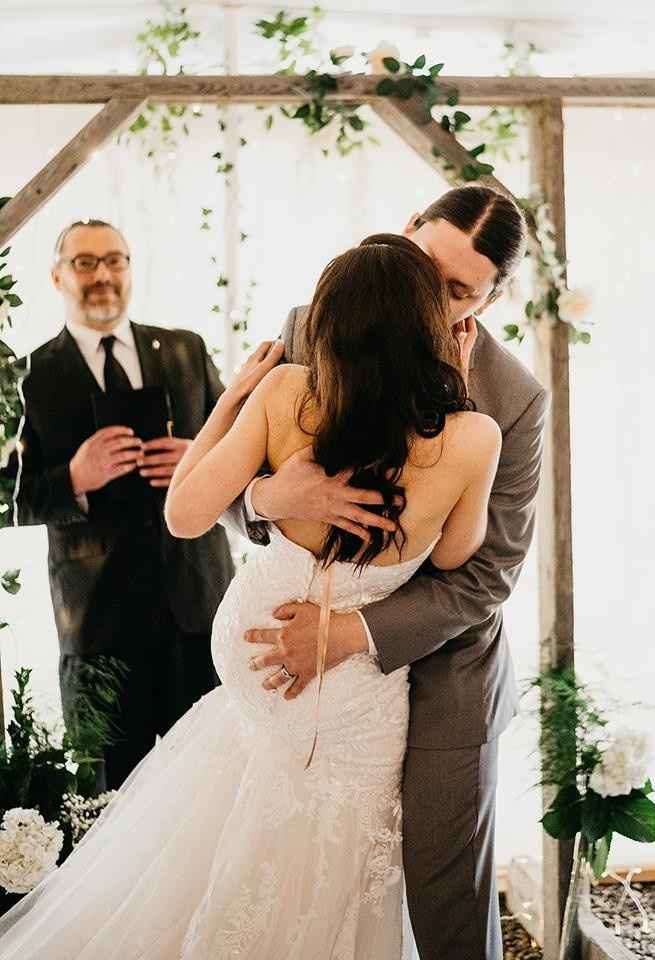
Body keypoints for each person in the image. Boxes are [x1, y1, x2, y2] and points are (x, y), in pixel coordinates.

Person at [0, 234, 501, 959]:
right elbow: (455, 556)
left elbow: (184, 514)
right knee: (326, 877)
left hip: (255, 687)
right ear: (432, 325)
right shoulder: (474, 438)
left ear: (328, 322)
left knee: (209, 868)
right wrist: (455, 394)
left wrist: (231, 400)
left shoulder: (285, 394)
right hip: (356, 707)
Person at [234, 185, 549, 960]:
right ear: (403, 230)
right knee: (293, 883)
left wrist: (350, 632)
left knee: (444, 908)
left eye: (458, 291)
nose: (426, 299)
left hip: (444, 676)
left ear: (492, 299)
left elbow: (487, 574)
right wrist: (271, 497)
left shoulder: (513, 399)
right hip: (305, 682)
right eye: (423, 266)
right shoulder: (316, 325)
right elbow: (226, 482)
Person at [2, 219, 234, 791]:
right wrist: (72, 478)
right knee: (110, 798)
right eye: (84, 263)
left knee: (210, 786)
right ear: (57, 276)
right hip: (97, 626)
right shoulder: (26, 376)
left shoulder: (185, 350)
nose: (102, 274)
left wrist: (200, 457)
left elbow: (247, 447)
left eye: (114, 260)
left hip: (197, 610)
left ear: (130, 269)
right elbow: (5, 494)